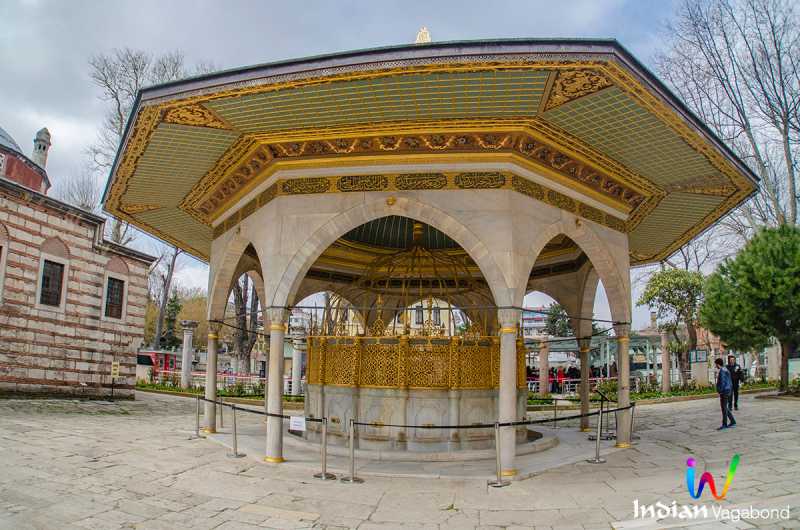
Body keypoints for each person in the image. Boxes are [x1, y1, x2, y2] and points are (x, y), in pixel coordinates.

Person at [714, 358, 736, 430]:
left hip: (724, 391)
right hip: (728, 390)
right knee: (725, 407)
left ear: (718, 364)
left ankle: (724, 424)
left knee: (723, 408)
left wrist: (720, 390)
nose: (715, 366)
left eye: (716, 364)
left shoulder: (722, 371)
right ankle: (732, 421)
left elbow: (722, 382)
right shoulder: (726, 369)